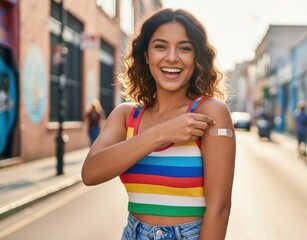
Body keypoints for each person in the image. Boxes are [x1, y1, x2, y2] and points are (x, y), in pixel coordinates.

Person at [81, 8, 236, 240]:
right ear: (145, 54)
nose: (172, 57)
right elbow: (90, 173)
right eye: (160, 46)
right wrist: (161, 133)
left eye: (184, 48)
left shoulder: (210, 112)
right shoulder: (126, 115)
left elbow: (219, 209)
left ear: (196, 57)